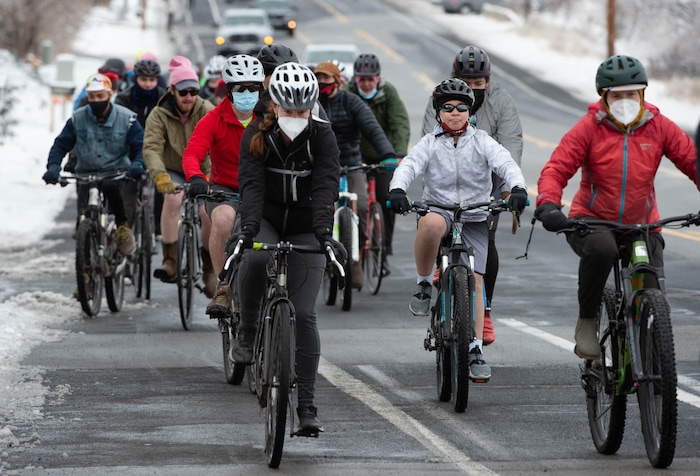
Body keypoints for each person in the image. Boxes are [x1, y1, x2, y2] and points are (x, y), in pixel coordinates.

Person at [535, 54, 700, 360]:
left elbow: (694, 162)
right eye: (617, 95)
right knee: (602, 250)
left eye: (631, 94)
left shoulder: (660, 127)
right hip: (593, 220)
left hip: (642, 222)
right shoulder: (589, 128)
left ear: (642, 95)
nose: (625, 100)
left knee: (651, 284)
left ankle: (653, 355)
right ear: (604, 98)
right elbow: (556, 169)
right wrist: (548, 205)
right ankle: (587, 321)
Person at [228, 62, 346, 433]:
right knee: (257, 253)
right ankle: (246, 331)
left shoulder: (323, 137)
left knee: (306, 314)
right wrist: (247, 230)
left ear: (311, 108)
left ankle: (307, 405)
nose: (295, 117)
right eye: (288, 110)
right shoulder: (255, 135)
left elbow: (327, 186)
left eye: (302, 111)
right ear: (274, 106)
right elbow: (251, 187)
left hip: (307, 225)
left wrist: (325, 235)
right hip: (265, 216)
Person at [389, 78, 527, 381]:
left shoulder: (482, 140)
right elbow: (410, 165)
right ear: (439, 114)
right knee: (431, 224)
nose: (455, 113)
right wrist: (398, 188)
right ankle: (425, 283)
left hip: (475, 216)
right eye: (448, 108)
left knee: (476, 282)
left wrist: (516, 187)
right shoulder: (430, 142)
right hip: (439, 209)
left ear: (471, 111)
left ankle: (475, 347)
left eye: (462, 107)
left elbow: (505, 162)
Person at [421, 45, 523, 346]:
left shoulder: (502, 102)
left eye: (479, 84)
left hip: (485, 181)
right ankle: (442, 267)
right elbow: (428, 138)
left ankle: (485, 310)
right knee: (440, 227)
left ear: (488, 82)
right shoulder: (439, 97)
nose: (474, 89)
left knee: (486, 245)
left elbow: (511, 145)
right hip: (445, 179)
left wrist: (509, 189)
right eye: (468, 82)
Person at [182, 54, 265, 316]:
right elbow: (192, 154)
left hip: (262, 189)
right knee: (221, 221)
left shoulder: (269, 118)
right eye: (241, 89)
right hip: (224, 190)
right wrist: (196, 176)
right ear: (229, 91)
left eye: (254, 88)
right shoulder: (213, 119)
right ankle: (224, 287)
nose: (248, 94)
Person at [314, 60, 397, 289]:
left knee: (360, 205)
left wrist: (388, 154)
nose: (322, 84)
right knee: (322, 208)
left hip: (352, 163)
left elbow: (372, 128)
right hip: (322, 165)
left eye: (326, 79)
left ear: (338, 81)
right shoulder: (310, 103)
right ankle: (323, 254)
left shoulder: (352, 102)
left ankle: (355, 257)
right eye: (318, 79)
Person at [42, 73, 146, 257]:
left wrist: (138, 163)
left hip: (115, 172)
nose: (95, 100)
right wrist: (53, 167)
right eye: (91, 97)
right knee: (83, 215)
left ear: (109, 95)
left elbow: (140, 145)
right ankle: (86, 266)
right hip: (86, 173)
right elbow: (61, 144)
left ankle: (122, 226)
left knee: (110, 187)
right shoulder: (77, 118)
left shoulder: (127, 118)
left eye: (100, 96)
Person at [142, 55, 215, 294]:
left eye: (194, 92)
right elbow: (152, 148)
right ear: (172, 90)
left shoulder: (207, 110)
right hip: (173, 169)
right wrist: (160, 176)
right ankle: (170, 261)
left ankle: (209, 269)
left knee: (206, 212)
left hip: (204, 171)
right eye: (183, 92)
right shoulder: (158, 114)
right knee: (172, 200)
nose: (189, 97)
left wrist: (214, 176)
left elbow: (221, 146)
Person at [344, 53, 410, 276]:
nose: (366, 83)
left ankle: (383, 251)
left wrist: (399, 154)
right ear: (355, 79)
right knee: (352, 200)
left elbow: (399, 124)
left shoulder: (388, 93)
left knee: (386, 198)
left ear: (378, 78)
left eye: (370, 79)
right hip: (356, 156)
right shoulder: (347, 94)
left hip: (385, 157)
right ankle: (350, 244)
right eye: (361, 79)